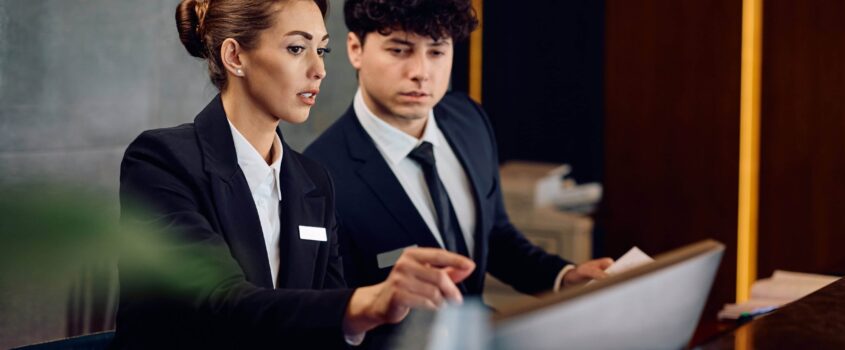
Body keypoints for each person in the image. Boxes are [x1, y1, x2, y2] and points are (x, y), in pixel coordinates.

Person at [113, 0, 474, 348]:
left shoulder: (312, 180)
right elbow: (219, 303)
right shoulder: (161, 161)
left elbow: (323, 323)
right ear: (235, 56)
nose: (319, 70)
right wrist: (367, 302)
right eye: (298, 48)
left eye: (322, 50)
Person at [304, 0, 615, 347]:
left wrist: (563, 277)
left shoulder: (469, 120)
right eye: (399, 50)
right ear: (355, 50)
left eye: (437, 51)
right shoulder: (316, 176)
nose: (421, 71)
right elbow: (323, 320)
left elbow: (496, 236)